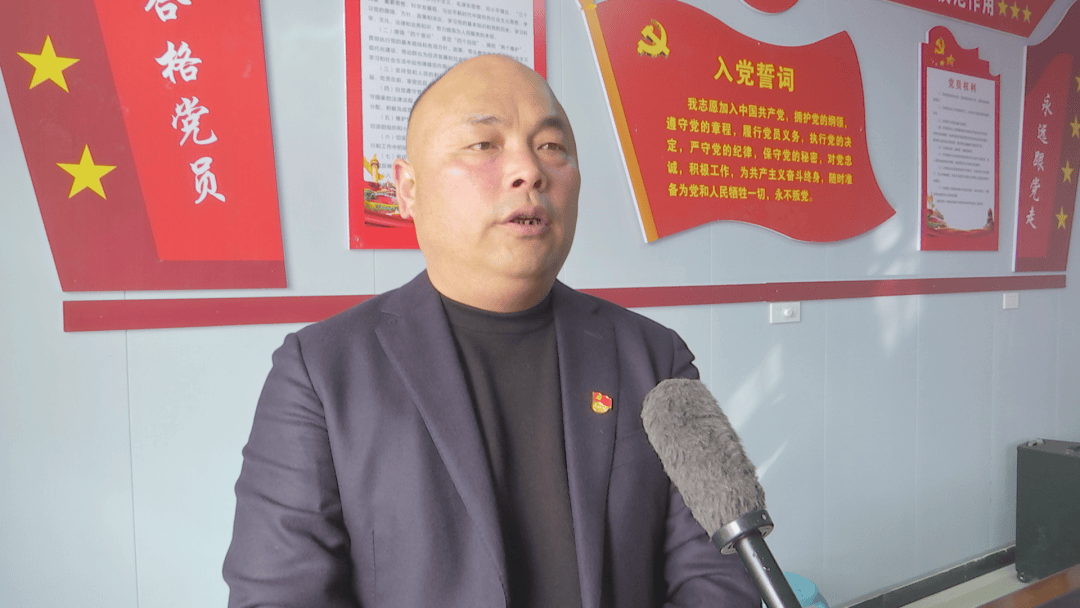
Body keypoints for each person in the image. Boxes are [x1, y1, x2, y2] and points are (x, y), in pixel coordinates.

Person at [223, 54, 759, 608]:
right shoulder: (320, 373)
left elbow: (718, 581)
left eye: (551, 145)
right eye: (484, 144)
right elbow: (279, 595)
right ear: (407, 189)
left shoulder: (654, 358)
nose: (529, 170)